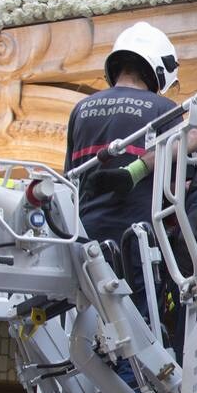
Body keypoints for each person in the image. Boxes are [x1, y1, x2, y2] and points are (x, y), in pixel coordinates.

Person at [65, 21, 186, 314]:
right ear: (158, 69)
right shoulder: (164, 109)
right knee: (137, 330)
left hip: (86, 238)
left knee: (91, 322)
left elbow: (68, 180)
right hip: (136, 242)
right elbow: (177, 186)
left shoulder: (81, 109)